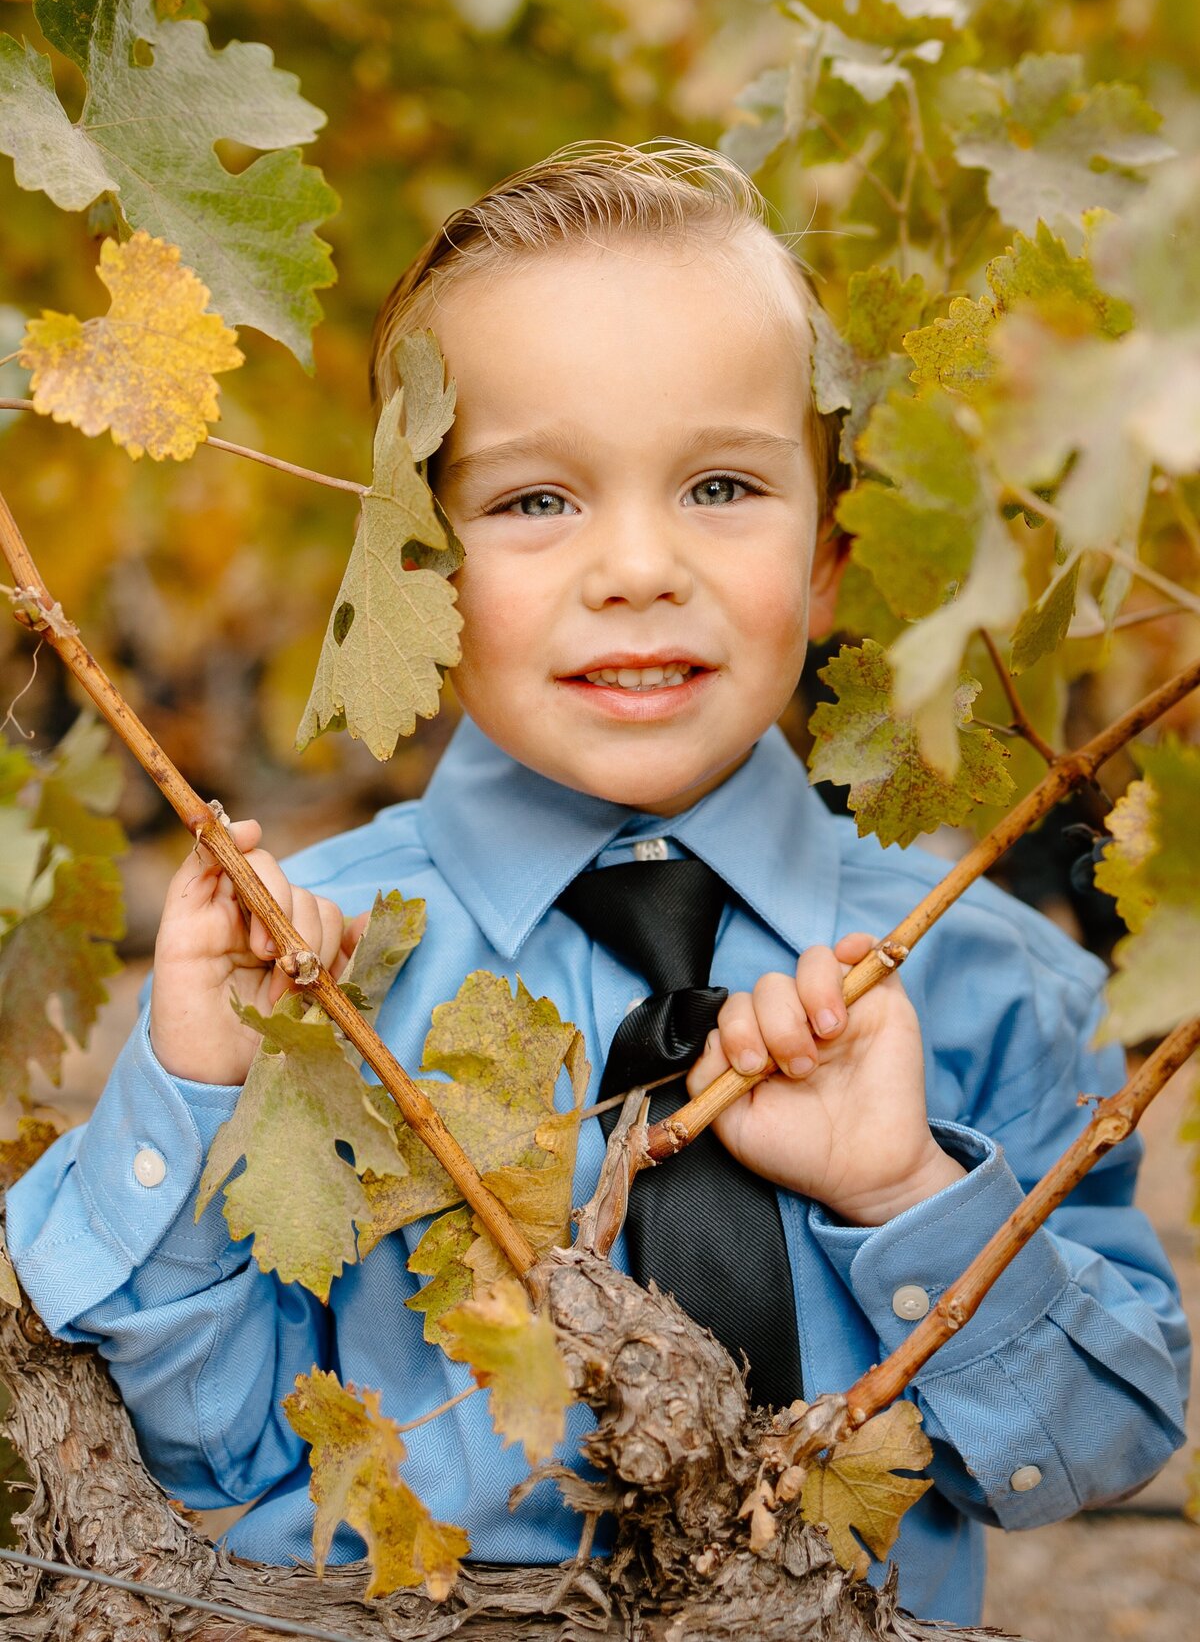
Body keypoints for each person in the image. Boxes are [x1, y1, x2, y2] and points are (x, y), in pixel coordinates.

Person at [6, 140, 1188, 1629]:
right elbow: (203, 1459)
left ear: (829, 558)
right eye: (536, 502)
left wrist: (908, 1198)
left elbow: (1098, 1447)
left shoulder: (988, 976)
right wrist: (191, 1081)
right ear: (419, 564)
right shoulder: (320, 972)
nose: (637, 565)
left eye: (718, 484)